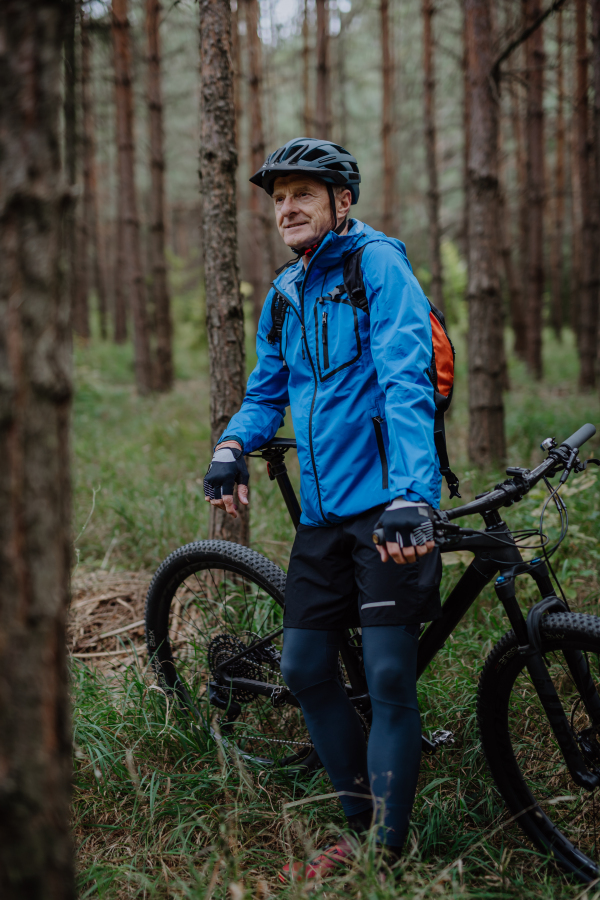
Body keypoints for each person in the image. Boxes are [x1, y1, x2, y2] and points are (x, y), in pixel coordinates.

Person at [203, 137, 442, 880]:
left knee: (391, 677)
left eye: (302, 193)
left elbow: (406, 380)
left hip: (386, 511)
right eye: (277, 199)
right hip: (321, 515)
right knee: (306, 667)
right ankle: (359, 814)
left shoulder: (378, 267)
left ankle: (384, 850)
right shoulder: (286, 291)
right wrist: (231, 445)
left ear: (343, 201)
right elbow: (267, 389)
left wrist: (412, 495)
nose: (286, 209)